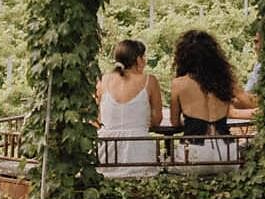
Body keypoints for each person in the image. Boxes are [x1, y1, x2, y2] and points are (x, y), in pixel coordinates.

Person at [170, 30, 254, 171]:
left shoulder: (179, 84)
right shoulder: (226, 81)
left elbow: (174, 122)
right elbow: (248, 102)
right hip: (227, 152)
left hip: (194, 151)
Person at [96, 39, 163, 177]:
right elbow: (157, 119)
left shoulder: (103, 80)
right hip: (139, 154)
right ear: (138, 59)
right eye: (143, 57)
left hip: (107, 153)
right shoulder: (149, 81)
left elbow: (97, 118)